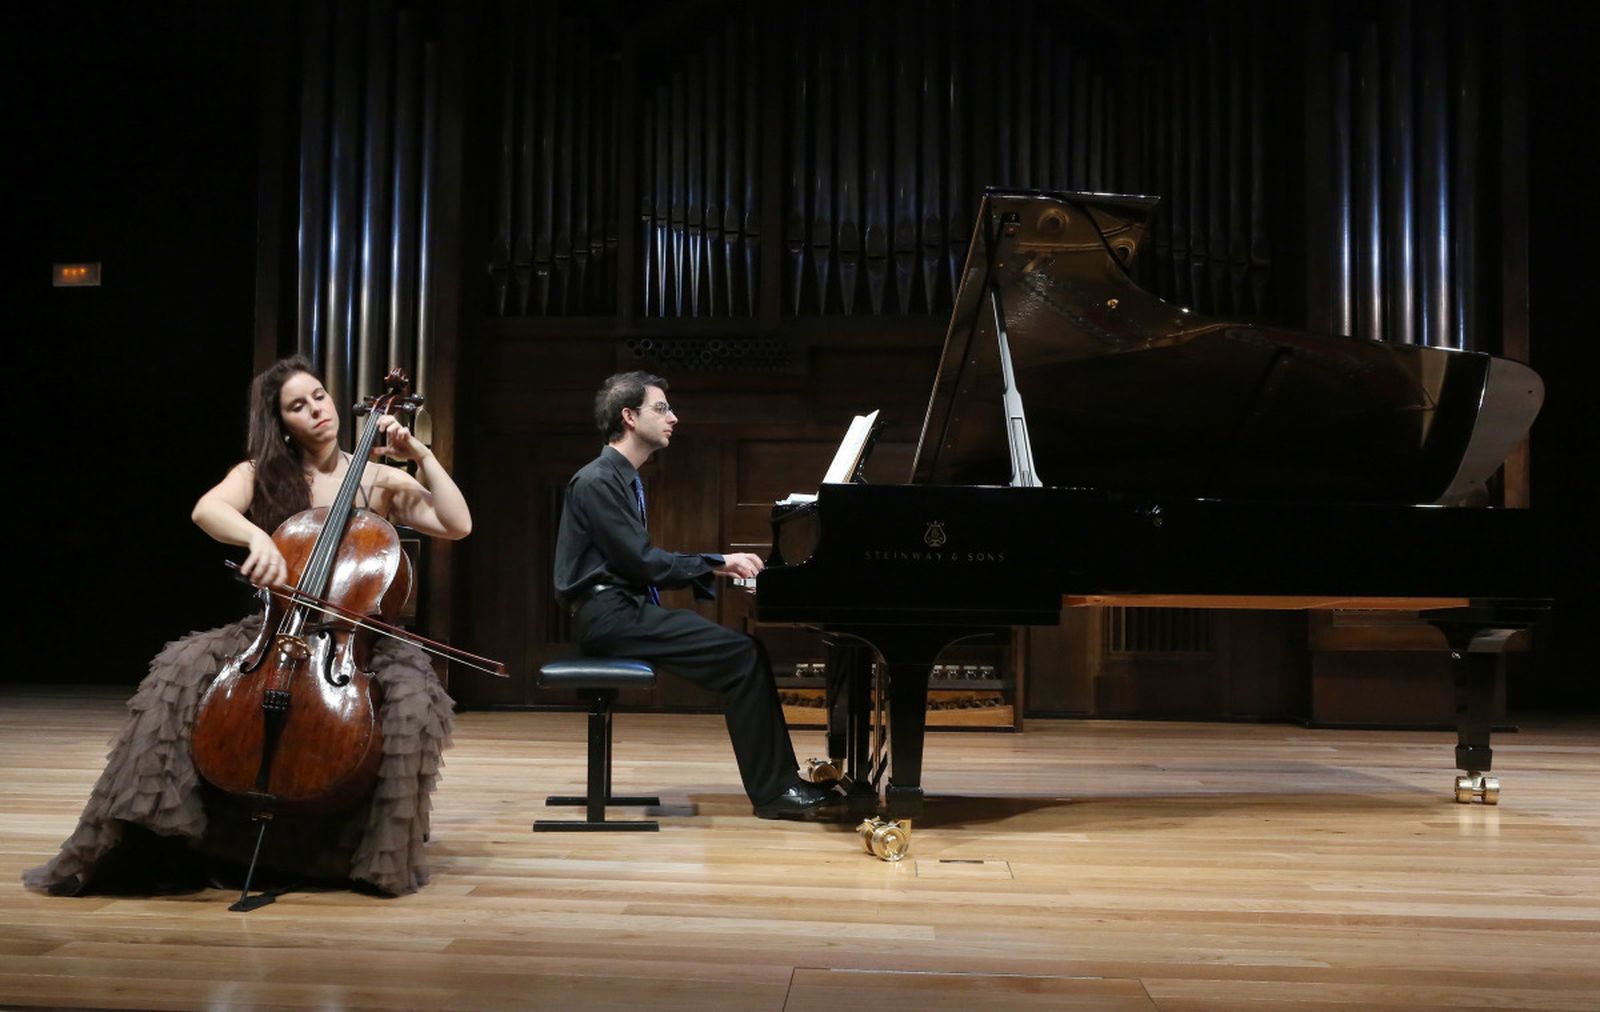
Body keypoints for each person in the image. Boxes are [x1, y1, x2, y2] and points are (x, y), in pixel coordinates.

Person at [22, 355, 472, 898]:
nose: (316, 410)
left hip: (356, 641)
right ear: (282, 423)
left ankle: (365, 849)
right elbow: (207, 511)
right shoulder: (260, 474)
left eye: (319, 397)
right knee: (179, 669)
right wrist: (257, 537)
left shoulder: (377, 480)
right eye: (298, 406)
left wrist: (420, 455)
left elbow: (456, 524)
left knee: (417, 700)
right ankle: (165, 836)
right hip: (273, 630)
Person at [554, 371, 836, 819]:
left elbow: (639, 562)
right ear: (629, 417)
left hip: (620, 610)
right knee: (743, 655)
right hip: (608, 616)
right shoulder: (598, 481)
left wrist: (715, 564)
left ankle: (781, 784)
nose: (673, 418)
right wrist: (718, 562)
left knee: (745, 652)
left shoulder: (619, 478)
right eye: (661, 408)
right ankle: (775, 793)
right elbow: (643, 562)